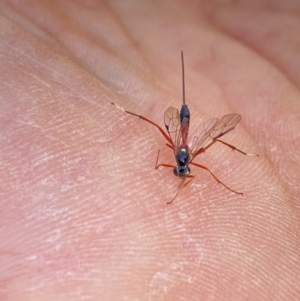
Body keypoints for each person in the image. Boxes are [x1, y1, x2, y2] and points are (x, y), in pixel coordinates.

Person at [1, 1, 299, 300]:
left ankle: (242, 156)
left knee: (216, 136)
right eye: (182, 169)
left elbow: (206, 139)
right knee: (161, 128)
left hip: (186, 131)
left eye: (181, 168)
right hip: (178, 128)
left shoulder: (189, 154)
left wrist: (220, 183)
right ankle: (123, 109)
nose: (182, 170)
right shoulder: (175, 150)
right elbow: (164, 150)